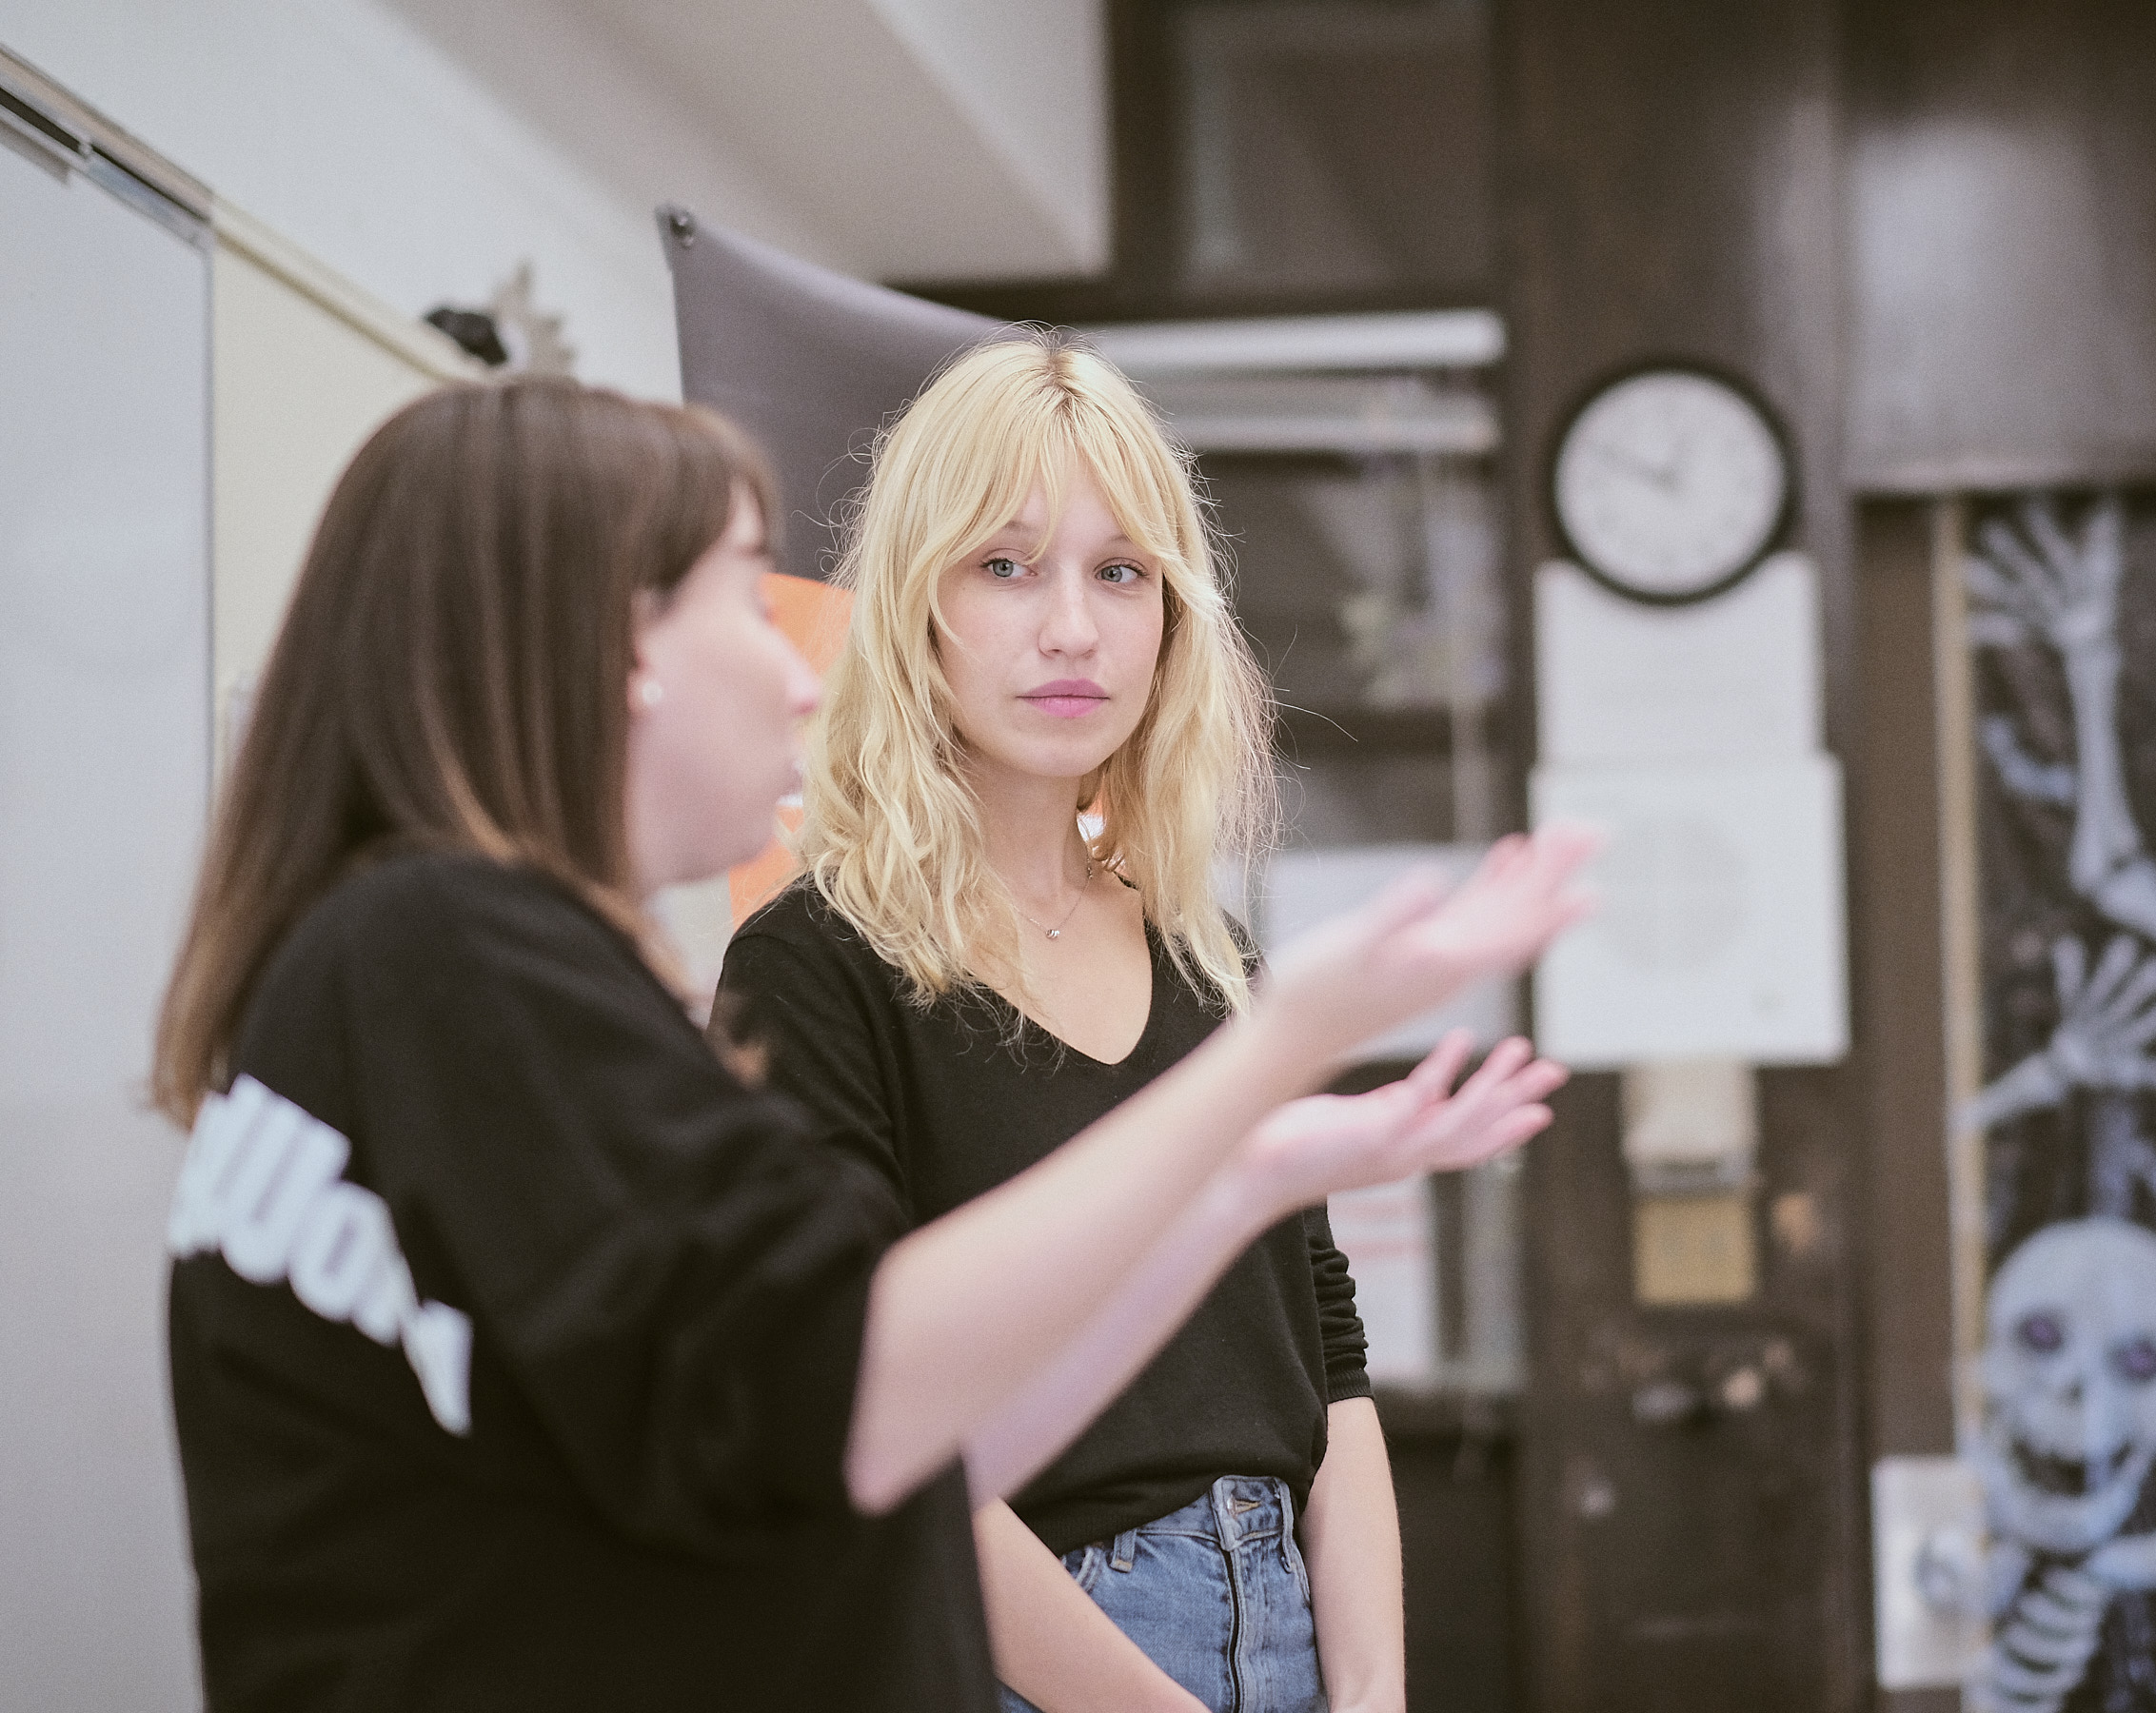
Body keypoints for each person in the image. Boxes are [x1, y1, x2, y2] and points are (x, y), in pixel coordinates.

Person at [151, 376, 1593, 1712]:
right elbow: (852, 1405)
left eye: (1121, 573)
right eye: (743, 594)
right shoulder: (452, 962)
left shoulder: (409, 963)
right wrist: (1269, 1068)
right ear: (614, 642)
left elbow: (866, 1448)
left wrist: (1247, 1158)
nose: (797, 672)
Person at [714, 331, 1566, 1713]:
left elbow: (1327, 1361)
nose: (1073, 628)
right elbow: (862, 1433)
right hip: (1016, 1652)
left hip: (1284, 1619)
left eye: (1122, 573)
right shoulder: (816, 966)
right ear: (915, 604)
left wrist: (1370, 1691)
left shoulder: (1208, 956)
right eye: (1006, 566)